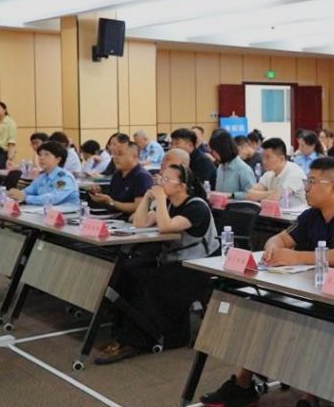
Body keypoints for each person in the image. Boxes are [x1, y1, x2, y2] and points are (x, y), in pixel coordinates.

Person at [203, 158, 334, 407]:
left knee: (306, 324)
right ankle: (243, 384)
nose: (306, 188)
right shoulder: (313, 214)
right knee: (266, 309)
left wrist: (297, 257)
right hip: (320, 290)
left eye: (312, 182)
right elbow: (281, 238)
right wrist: (273, 249)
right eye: (306, 181)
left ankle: (309, 404)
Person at [96, 164, 218, 365]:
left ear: (181, 186)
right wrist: (147, 198)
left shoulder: (197, 206)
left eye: (167, 180)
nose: (161, 182)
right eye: (160, 178)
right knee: (126, 272)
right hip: (173, 261)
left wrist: (160, 199)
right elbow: (139, 223)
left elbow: (165, 226)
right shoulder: (168, 203)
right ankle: (121, 334)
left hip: (197, 267)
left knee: (147, 282)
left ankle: (137, 340)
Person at [87, 142, 153, 217]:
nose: (115, 158)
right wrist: (99, 193)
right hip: (112, 216)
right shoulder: (117, 174)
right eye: (114, 154)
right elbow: (113, 198)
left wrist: (110, 202)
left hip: (130, 220)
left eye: (120, 154)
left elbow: (139, 207)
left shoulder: (142, 176)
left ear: (135, 157)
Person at [7, 141, 79, 207]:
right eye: (40, 155)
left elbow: (53, 198)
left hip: (67, 214)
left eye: (46, 154)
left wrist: (26, 198)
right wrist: (16, 194)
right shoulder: (42, 177)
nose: (41, 158)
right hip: (44, 211)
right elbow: (29, 191)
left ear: (58, 159)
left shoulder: (64, 178)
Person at [247, 138, 308, 208]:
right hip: (275, 213)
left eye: (268, 157)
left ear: (281, 158)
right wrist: (271, 193)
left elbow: (277, 197)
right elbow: (249, 195)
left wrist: (264, 195)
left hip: (295, 214)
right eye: (263, 157)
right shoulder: (269, 173)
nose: (264, 161)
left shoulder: (295, 172)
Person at [210, 129, 256, 199]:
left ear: (224, 149)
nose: (213, 154)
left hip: (238, 205)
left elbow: (252, 194)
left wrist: (232, 195)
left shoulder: (243, 169)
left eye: (215, 151)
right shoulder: (221, 167)